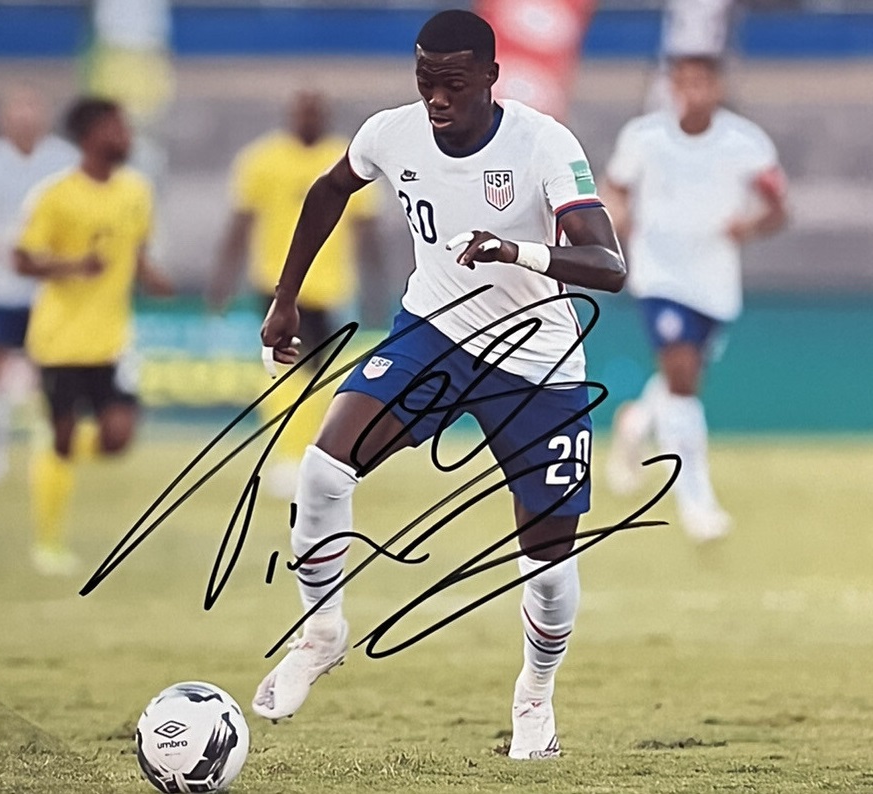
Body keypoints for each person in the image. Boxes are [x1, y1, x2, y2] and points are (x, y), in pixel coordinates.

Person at [254, 10, 626, 760]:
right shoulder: (389, 133)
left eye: (453, 83)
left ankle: (535, 697)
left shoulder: (544, 143)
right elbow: (329, 190)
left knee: (548, 568)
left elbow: (609, 266)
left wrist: (516, 252)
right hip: (435, 334)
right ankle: (321, 631)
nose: (436, 98)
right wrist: (286, 297)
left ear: (491, 76)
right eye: (426, 81)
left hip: (536, 362)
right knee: (324, 467)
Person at [601, 55, 787, 541]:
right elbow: (614, 189)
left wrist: (749, 225)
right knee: (683, 382)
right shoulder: (644, 138)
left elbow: (778, 207)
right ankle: (696, 503)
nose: (692, 93)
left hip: (714, 282)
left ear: (717, 88)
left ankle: (637, 421)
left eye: (702, 83)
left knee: (682, 378)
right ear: (671, 87)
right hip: (659, 276)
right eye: (683, 83)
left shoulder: (745, 143)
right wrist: (618, 218)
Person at [14, 97, 173, 575]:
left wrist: (151, 277)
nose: (125, 137)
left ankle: (54, 446)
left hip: (112, 341)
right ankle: (49, 542)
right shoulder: (55, 196)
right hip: (59, 341)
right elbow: (23, 259)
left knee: (118, 438)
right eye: (116, 128)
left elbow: (136, 248)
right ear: (89, 136)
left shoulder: (136, 191)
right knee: (63, 439)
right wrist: (73, 266)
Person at [208, 90, 381, 499]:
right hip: (277, 286)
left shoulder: (346, 159)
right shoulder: (262, 160)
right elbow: (241, 223)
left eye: (315, 112)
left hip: (330, 288)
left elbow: (366, 229)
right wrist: (223, 279)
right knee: (288, 370)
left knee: (311, 376)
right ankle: (290, 457)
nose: (308, 119)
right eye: (303, 112)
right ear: (291, 115)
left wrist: (377, 286)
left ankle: (297, 453)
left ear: (326, 115)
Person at [0, 86, 78, 485]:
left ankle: (47, 451)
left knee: (49, 368)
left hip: (48, 288)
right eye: (18, 116)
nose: (25, 123)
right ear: (5, 121)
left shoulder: (64, 162)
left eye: (31, 114)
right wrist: (12, 255)